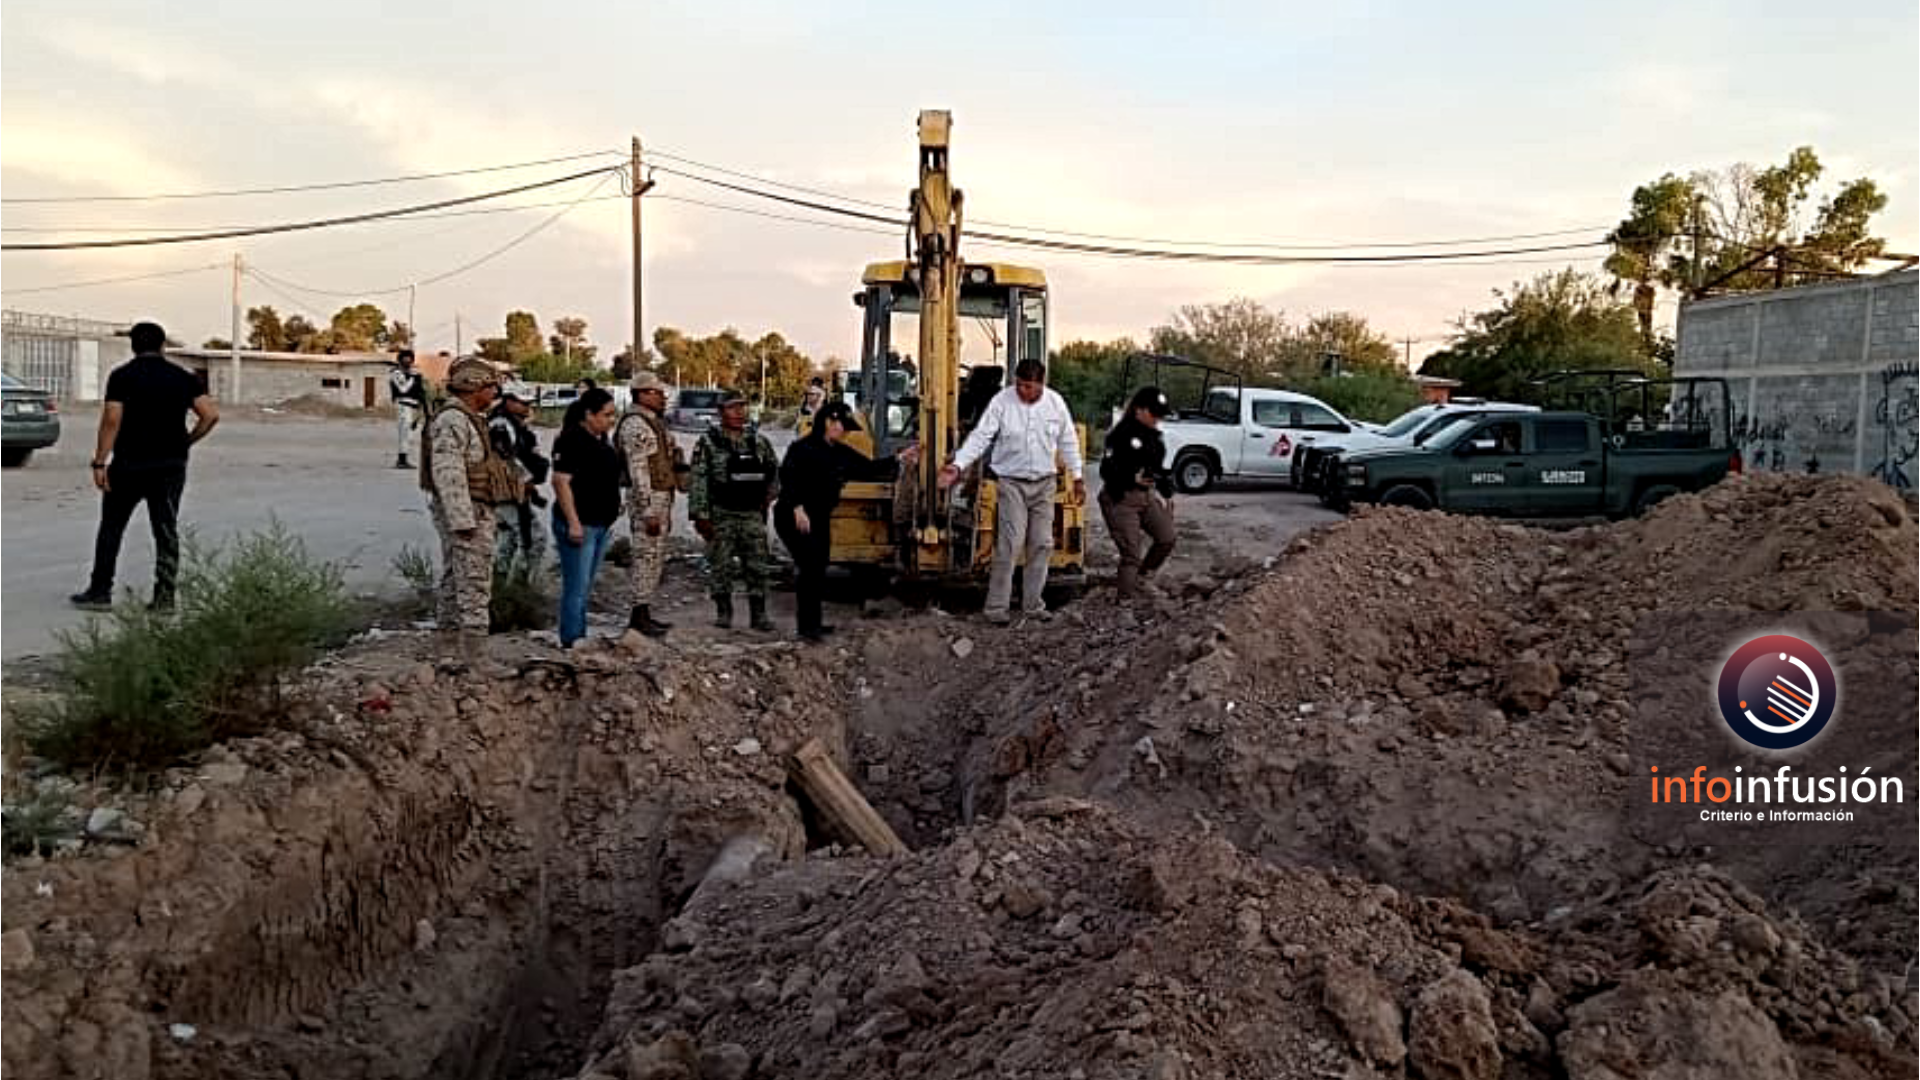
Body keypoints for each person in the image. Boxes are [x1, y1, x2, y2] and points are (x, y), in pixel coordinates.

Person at [71, 321, 219, 612]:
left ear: (133, 345)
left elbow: (112, 420)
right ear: (163, 345)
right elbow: (210, 415)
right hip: (170, 467)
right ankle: (164, 597)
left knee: (112, 528)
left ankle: (100, 592)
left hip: (129, 465)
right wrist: (187, 441)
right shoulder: (183, 377)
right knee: (165, 531)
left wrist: (100, 462)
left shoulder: (122, 376)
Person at [937, 358, 1084, 625]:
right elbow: (981, 436)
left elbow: (1068, 441)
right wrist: (958, 465)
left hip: (1044, 483)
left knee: (1042, 543)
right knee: (1010, 543)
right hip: (1011, 482)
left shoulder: (1055, 404)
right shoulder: (1002, 403)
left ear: (1041, 384)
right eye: (1019, 384)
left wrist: (1078, 477)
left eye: (1028, 386)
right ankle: (996, 609)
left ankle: (1033, 606)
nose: (1022, 391)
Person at [774, 401, 919, 643]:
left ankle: (814, 624)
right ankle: (807, 630)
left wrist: (899, 458)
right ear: (829, 422)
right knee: (810, 569)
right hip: (794, 517)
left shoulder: (839, 451)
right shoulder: (802, 448)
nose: (845, 431)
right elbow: (788, 479)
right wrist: (797, 508)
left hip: (818, 517)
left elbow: (868, 468)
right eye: (842, 426)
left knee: (818, 568)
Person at [420, 357, 520, 662]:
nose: (495, 393)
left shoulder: (469, 417)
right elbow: (448, 472)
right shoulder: (453, 420)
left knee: (456, 577)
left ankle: (448, 648)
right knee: (474, 582)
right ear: (473, 386)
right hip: (468, 514)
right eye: (490, 386)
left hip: (474, 510)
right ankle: (476, 658)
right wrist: (463, 520)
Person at [689, 389, 779, 631]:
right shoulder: (708, 442)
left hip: (751, 513)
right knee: (721, 565)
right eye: (732, 407)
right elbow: (698, 479)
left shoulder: (758, 441)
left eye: (742, 406)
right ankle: (724, 612)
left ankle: (759, 614)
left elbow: (774, 472)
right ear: (720, 412)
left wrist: (767, 498)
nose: (739, 412)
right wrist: (700, 515)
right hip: (722, 513)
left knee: (757, 564)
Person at [549, 388, 624, 647]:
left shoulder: (601, 441)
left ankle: (579, 637)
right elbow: (560, 482)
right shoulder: (572, 440)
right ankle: (572, 641)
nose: (611, 420)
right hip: (580, 525)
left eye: (613, 415)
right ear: (589, 415)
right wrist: (573, 522)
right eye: (606, 415)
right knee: (576, 589)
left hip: (600, 523)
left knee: (585, 587)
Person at [615, 371, 684, 637]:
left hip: (659, 494)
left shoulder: (652, 422)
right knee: (645, 555)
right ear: (642, 394)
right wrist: (647, 511)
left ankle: (644, 612)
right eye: (657, 392)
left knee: (654, 556)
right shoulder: (636, 425)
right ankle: (638, 615)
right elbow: (638, 470)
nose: (663, 397)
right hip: (648, 498)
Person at [1098, 387, 1177, 600]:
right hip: (1120, 498)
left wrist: (1167, 494)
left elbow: (1158, 470)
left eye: (1161, 414)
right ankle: (1124, 601)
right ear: (1139, 410)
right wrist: (1131, 478)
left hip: (1146, 496)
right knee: (1131, 555)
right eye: (1154, 413)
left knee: (1167, 537)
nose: (1158, 419)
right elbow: (1106, 470)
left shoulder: (1154, 438)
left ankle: (1142, 579)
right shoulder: (1119, 435)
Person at [488, 388, 549, 571]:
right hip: (506, 491)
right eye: (523, 403)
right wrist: (527, 481)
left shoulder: (515, 424)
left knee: (508, 539)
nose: (527, 407)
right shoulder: (500, 424)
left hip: (511, 490)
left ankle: (502, 587)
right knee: (534, 538)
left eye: (529, 403)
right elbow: (505, 459)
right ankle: (523, 585)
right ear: (509, 401)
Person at [390, 349, 428, 469]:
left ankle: (403, 459)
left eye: (410, 358)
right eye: (405, 358)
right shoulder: (396, 373)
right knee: (404, 434)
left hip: (413, 407)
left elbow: (420, 392)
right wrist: (413, 378)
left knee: (409, 435)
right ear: (400, 360)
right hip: (403, 406)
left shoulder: (411, 373)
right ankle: (402, 460)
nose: (408, 361)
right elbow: (403, 389)